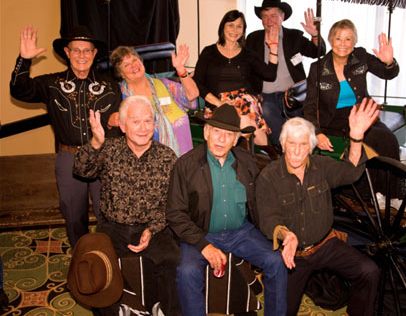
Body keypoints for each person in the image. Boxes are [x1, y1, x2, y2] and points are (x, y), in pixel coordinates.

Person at [256, 98, 381, 316]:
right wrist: (287, 236)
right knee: (282, 310)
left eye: (303, 144)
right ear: (283, 145)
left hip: (325, 246)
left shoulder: (321, 167)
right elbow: (268, 219)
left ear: (311, 147)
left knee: (369, 271)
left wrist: (357, 137)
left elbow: (351, 172)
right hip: (293, 256)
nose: (296, 151)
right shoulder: (269, 176)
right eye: (291, 144)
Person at [166, 104, 288, 315]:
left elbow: (262, 201)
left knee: (276, 261)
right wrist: (203, 245)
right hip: (200, 233)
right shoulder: (185, 165)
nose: (221, 139)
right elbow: (175, 213)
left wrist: (280, 229)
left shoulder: (247, 162)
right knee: (187, 272)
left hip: (240, 232)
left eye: (228, 134)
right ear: (206, 133)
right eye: (216, 132)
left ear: (235, 140)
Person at [10, 25, 121, 248]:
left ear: (94, 53)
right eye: (76, 50)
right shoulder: (51, 84)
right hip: (68, 158)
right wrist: (24, 59)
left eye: (87, 50)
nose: (82, 55)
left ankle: (108, 260)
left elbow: (118, 126)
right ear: (67, 53)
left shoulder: (110, 86)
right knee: (73, 215)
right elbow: (19, 90)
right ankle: (81, 260)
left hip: (103, 157)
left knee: (108, 214)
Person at [73, 95, 181, 315]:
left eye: (148, 121)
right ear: (122, 125)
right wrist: (96, 142)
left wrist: (152, 229)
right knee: (98, 264)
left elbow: (172, 204)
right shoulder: (109, 150)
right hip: (113, 227)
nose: (143, 128)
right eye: (135, 121)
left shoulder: (167, 157)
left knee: (173, 261)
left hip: (153, 227)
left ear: (155, 124)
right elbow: (81, 170)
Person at [303, 19, 400, 160]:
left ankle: (388, 182)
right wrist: (317, 133)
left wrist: (389, 62)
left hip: (361, 114)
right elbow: (310, 106)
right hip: (333, 121)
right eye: (338, 39)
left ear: (354, 42)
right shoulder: (317, 68)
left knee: (388, 139)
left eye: (348, 39)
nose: (342, 44)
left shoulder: (361, 57)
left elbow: (387, 74)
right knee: (368, 143)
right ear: (331, 41)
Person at [190, 10, 279, 153]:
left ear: (243, 30)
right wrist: (219, 103)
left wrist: (273, 47)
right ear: (223, 27)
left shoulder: (248, 54)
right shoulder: (208, 52)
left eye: (239, 26)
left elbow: (270, 74)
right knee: (246, 120)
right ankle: (271, 153)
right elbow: (198, 83)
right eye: (231, 25)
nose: (235, 30)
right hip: (216, 104)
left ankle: (247, 158)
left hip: (244, 100)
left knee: (242, 109)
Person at [246, 0, 326, 146]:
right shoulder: (253, 39)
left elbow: (318, 52)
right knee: (268, 112)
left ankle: (290, 151)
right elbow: (246, 68)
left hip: (293, 96)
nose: (270, 21)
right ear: (261, 19)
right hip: (265, 96)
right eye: (265, 16)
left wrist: (315, 35)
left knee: (299, 122)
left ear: (282, 17)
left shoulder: (294, 36)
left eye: (274, 16)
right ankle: (285, 150)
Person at [110, 45, 198, 156]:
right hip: (150, 165)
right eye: (126, 65)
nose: (133, 66)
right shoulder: (119, 97)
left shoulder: (164, 84)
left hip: (185, 160)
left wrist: (181, 69)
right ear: (120, 73)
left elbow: (192, 95)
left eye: (134, 60)